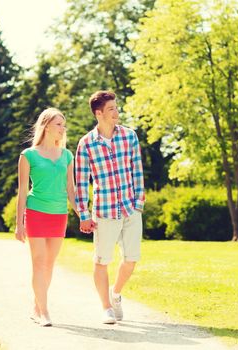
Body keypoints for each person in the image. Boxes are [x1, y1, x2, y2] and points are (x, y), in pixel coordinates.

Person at [75, 90, 145, 324]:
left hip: (130, 209)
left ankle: (115, 294)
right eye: (111, 109)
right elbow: (82, 182)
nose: (117, 112)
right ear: (99, 113)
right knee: (102, 260)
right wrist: (83, 214)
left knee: (131, 259)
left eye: (117, 107)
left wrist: (138, 204)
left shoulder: (129, 136)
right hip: (104, 212)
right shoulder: (86, 144)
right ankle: (105, 307)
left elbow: (137, 170)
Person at [15, 108, 77, 327]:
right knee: (39, 262)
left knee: (49, 264)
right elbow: (22, 191)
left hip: (59, 214)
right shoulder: (28, 155)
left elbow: (71, 189)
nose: (63, 128)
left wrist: (83, 214)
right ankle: (44, 310)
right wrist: (19, 224)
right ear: (46, 126)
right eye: (59, 124)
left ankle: (36, 306)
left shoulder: (68, 155)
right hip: (36, 213)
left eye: (63, 124)